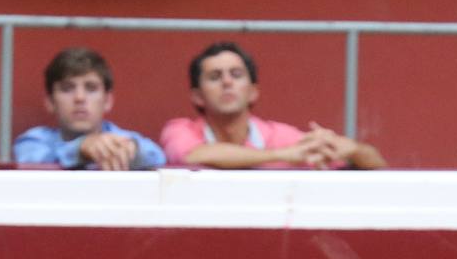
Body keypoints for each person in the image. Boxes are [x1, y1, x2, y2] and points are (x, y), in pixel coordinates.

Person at [158, 40, 385, 170]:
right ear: (197, 96)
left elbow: (377, 165)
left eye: (236, 75)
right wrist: (286, 154)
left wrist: (352, 150)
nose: (227, 82)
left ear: (253, 92)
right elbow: (195, 156)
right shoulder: (179, 130)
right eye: (215, 77)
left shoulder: (280, 135)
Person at [13, 47, 164, 170]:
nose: (79, 98)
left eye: (91, 88)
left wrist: (132, 151)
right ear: (50, 102)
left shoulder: (123, 139)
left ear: (108, 100)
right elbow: (29, 159)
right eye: (67, 89)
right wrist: (80, 149)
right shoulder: (34, 140)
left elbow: (158, 156)